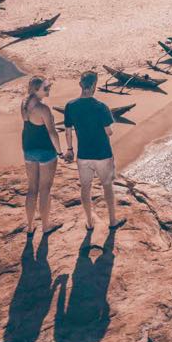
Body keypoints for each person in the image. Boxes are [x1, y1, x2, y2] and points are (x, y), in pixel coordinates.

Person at [64, 71, 126, 232]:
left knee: (85, 187)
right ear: (94, 86)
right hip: (102, 153)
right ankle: (112, 221)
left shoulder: (70, 106)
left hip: (83, 155)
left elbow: (68, 131)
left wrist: (70, 149)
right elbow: (109, 132)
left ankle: (89, 222)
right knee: (107, 186)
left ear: (80, 84)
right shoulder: (101, 107)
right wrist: (110, 128)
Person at [20, 75, 63, 235]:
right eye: (46, 87)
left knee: (32, 188)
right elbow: (52, 133)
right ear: (36, 89)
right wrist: (60, 151)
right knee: (45, 189)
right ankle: (46, 226)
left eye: (49, 86)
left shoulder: (24, 104)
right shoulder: (43, 109)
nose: (49, 89)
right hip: (45, 150)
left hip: (28, 149)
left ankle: (30, 226)